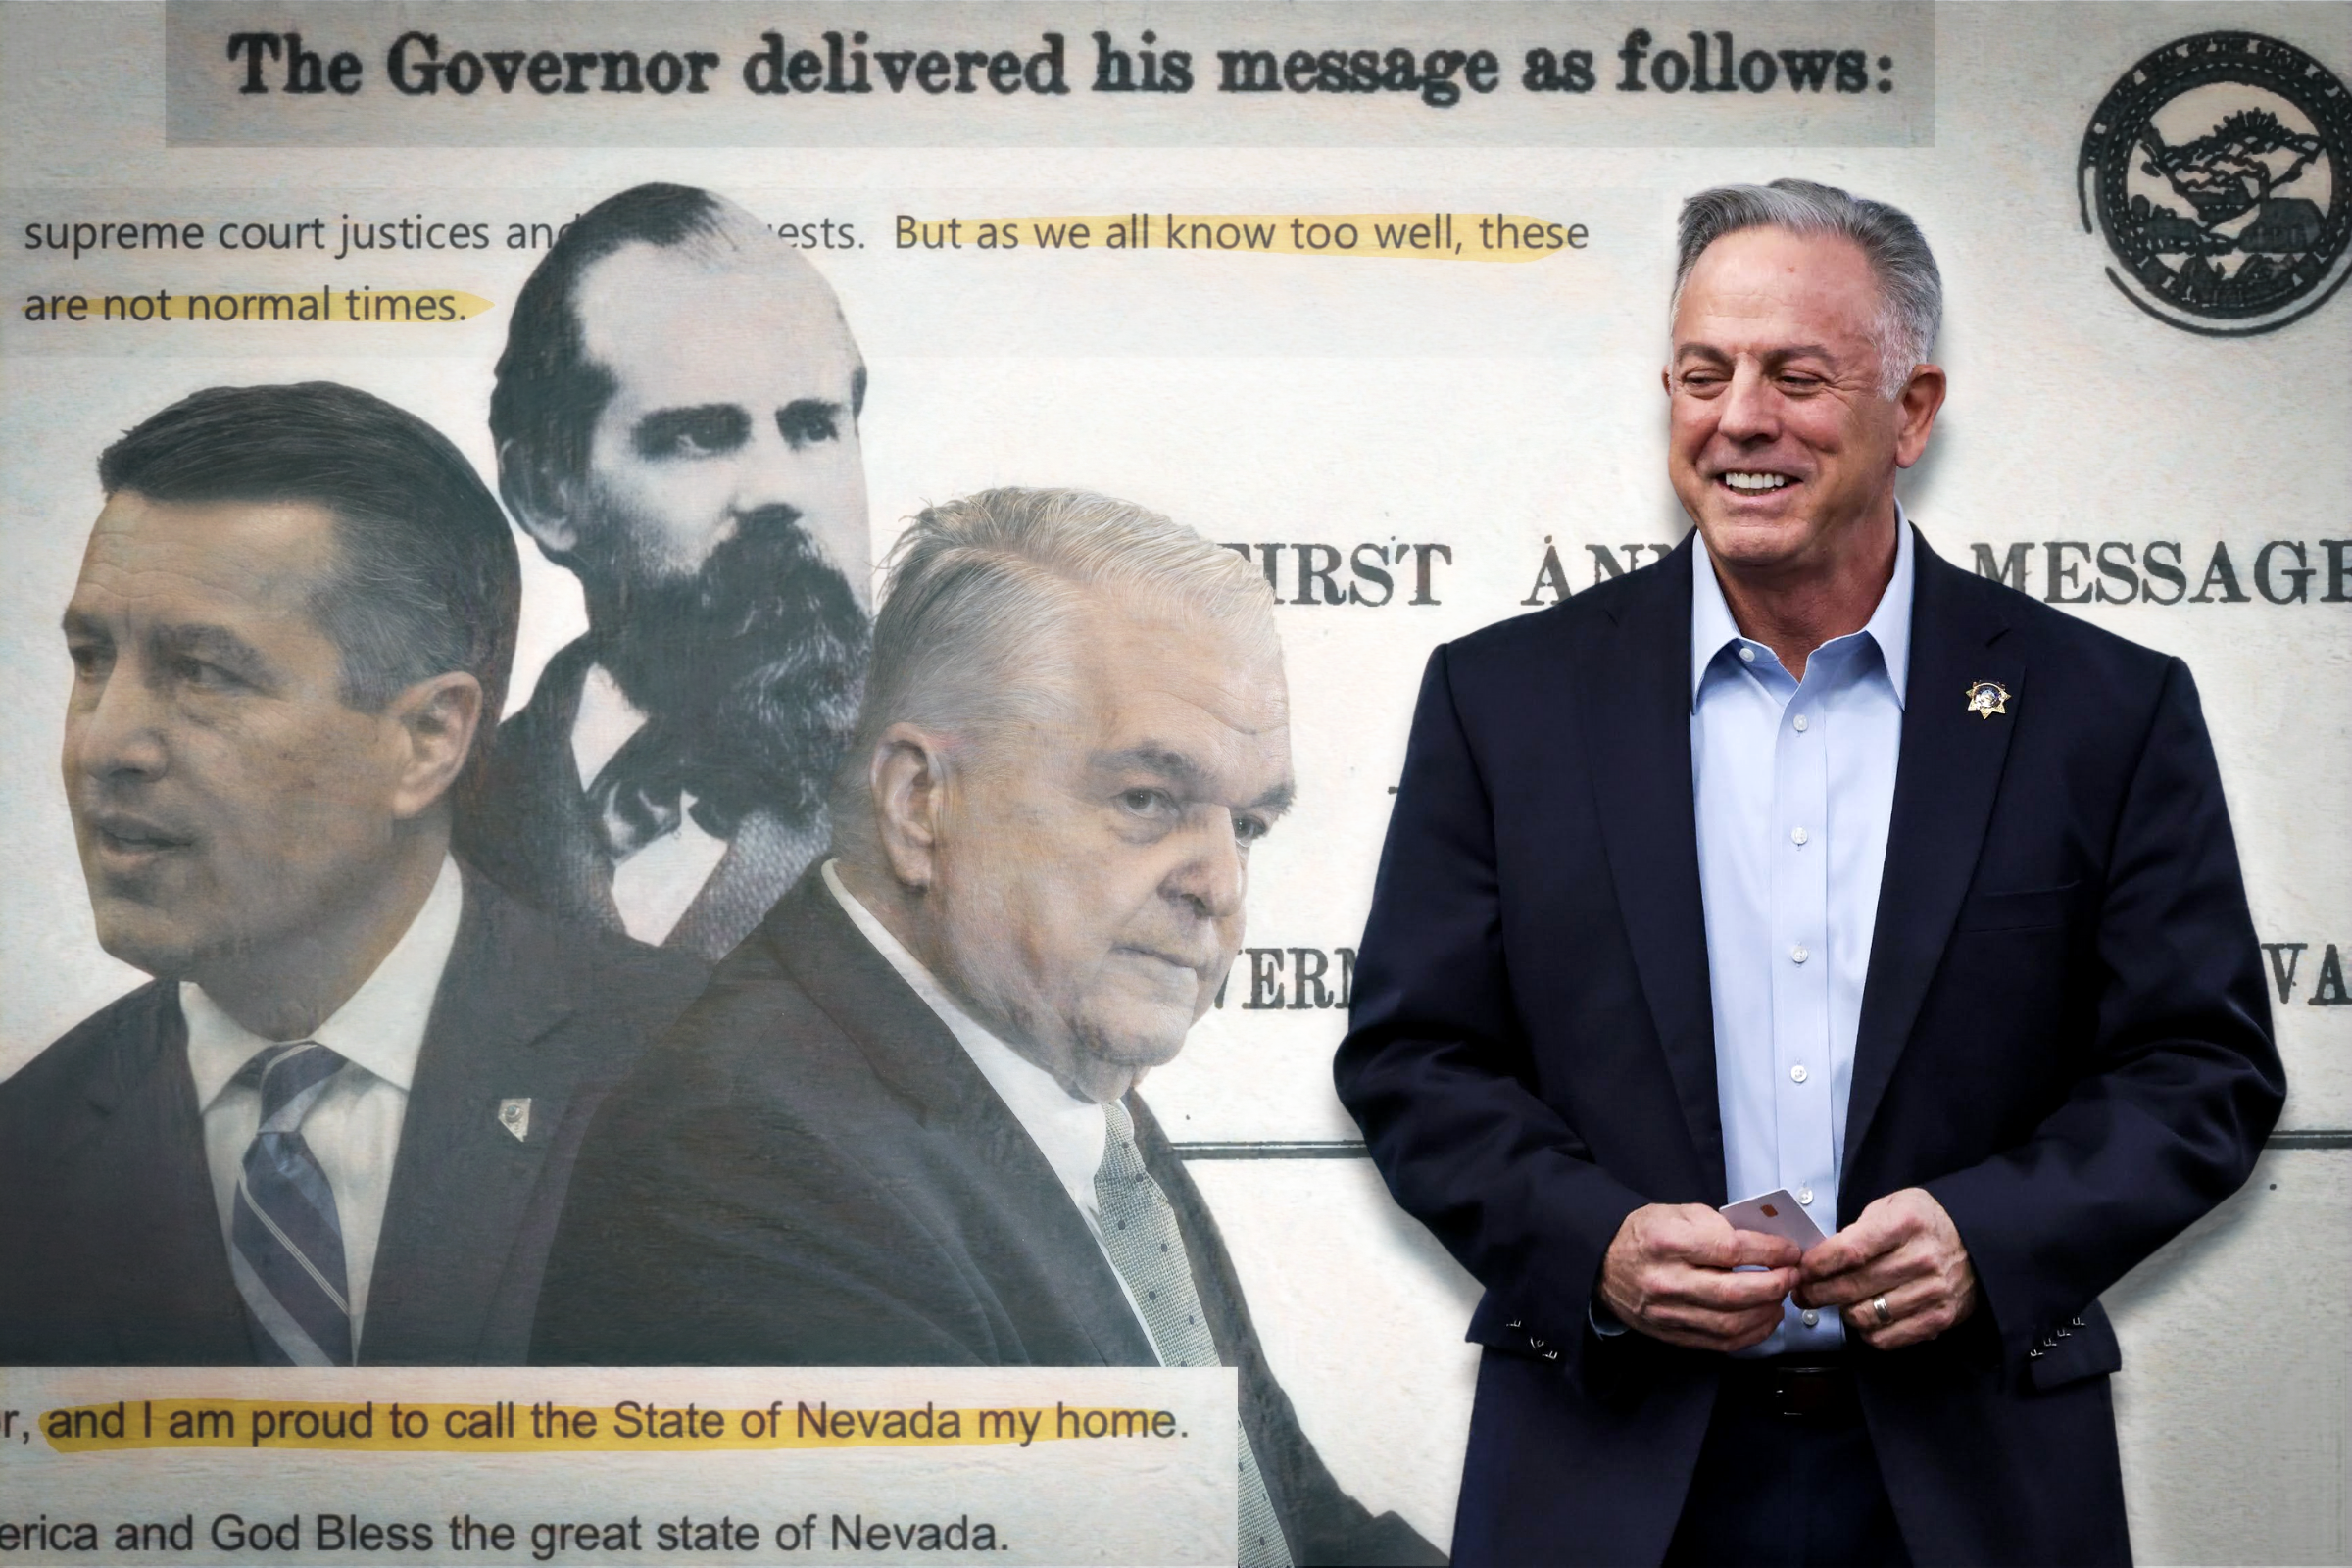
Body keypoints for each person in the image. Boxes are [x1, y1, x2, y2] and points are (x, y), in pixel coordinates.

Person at [1335, 180, 2285, 1567]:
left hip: (1971, 1481)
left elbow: (2203, 1067)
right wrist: (1595, 1244)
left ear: (1911, 410)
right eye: (1703, 374)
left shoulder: (2104, 709)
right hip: (1611, 1471)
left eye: (1797, 375)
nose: (1740, 421)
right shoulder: (1506, 698)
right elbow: (1416, 1056)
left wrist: (1986, 1231)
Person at [536, 488, 1442, 1568]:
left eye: (1246, 824)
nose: (1220, 885)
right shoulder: (737, 1159)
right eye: (1150, 797)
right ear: (922, 803)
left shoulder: (1060, 1085)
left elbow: (1285, 1517)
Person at [0, 382, 706, 1366]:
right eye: (90, 659)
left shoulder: (716, 1077)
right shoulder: (23, 1154)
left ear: (428, 737)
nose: (104, 742)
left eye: (202, 670)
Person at [458, 181, 873, 961]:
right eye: (701, 437)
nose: (777, 490)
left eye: (814, 426)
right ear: (548, 495)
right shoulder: (443, 826)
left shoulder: (977, 795)